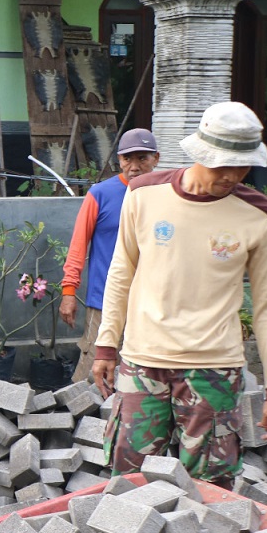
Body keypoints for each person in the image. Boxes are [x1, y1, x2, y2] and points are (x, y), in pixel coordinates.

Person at [93, 102, 267, 486]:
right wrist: (106, 345)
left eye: (243, 166)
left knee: (210, 488)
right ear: (200, 153)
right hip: (142, 362)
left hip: (214, 371)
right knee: (128, 482)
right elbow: (121, 272)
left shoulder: (260, 216)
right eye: (222, 164)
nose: (232, 175)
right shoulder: (144, 194)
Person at [59, 128, 160, 382]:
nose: (134, 166)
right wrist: (69, 292)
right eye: (128, 158)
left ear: (156, 159)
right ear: (119, 160)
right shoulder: (100, 194)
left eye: (142, 158)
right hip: (104, 300)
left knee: (142, 372)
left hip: (152, 302)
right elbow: (78, 245)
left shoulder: (165, 194)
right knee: (93, 371)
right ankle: (82, 419)